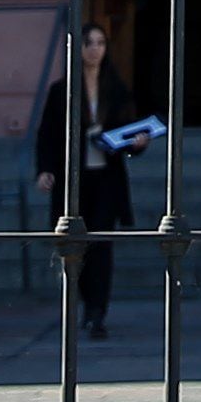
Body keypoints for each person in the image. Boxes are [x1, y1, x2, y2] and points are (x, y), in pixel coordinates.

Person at [33, 18, 155, 341]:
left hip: (106, 179)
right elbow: (46, 135)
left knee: (101, 246)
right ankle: (84, 303)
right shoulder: (61, 91)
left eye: (100, 43)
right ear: (79, 48)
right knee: (76, 244)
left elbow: (129, 133)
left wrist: (138, 143)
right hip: (73, 180)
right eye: (89, 43)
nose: (95, 49)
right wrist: (44, 170)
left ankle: (97, 313)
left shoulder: (116, 87)